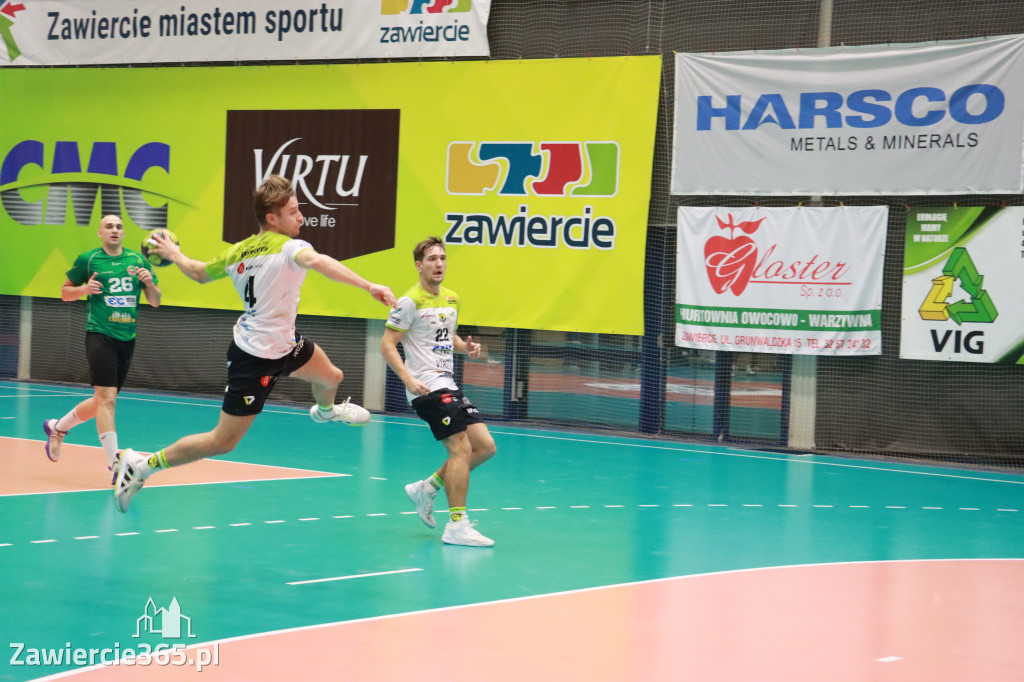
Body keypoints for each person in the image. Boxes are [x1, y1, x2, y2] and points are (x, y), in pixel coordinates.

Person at [113, 174, 396, 512]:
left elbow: (199, 272)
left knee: (331, 377)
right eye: (293, 211)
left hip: (286, 344)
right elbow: (320, 262)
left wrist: (175, 254)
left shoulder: (236, 252)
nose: (301, 217)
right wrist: (368, 286)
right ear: (272, 219)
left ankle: (325, 412)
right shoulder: (291, 247)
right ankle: (141, 465)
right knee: (222, 442)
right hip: (254, 357)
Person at [381, 236, 497, 547]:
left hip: (447, 382)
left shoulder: (452, 299)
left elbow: (448, 338)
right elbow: (387, 344)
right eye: (432, 259)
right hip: (424, 386)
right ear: (419, 266)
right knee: (460, 449)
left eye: (442, 258)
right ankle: (457, 524)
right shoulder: (409, 301)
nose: (439, 264)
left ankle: (428, 488)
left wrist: (466, 348)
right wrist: (407, 379)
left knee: (484, 446)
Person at [43, 215, 161, 480]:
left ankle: (57, 428)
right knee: (107, 400)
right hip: (100, 334)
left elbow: (155, 301)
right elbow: (64, 293)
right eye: (109, 226)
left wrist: (151, 284)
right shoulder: (89, 259)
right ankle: (116, 466)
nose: (115, 230)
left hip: (127, 337)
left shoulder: (137, 261)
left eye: (119, 226)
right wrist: (84, 288)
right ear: (100, 232)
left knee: (101, 402)